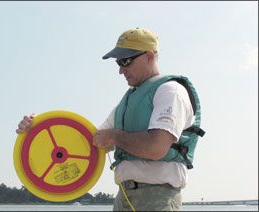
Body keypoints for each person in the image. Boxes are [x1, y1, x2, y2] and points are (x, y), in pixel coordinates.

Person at [16, 27, 204, 211]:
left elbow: (156, 148)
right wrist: (35, 129)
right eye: (118, 62)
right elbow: (93, 142)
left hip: (157, 199)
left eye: (126, 61)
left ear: (150, 56)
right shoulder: (127, 102)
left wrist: (114, 136)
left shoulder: (170, 91)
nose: (121, 70)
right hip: (123, 196)